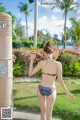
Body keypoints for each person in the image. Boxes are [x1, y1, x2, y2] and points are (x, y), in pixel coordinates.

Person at [29, 41, 75, 120]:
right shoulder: (58, 64)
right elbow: (60, 80)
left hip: (41, 89)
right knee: (48, 115)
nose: (43, 55)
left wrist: (32, 60)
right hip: (51, 90)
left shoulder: (41, 63)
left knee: (42, 112)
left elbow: (30, 74)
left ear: (46, 53)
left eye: (43, 53)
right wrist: (67, 92)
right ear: (52, 53)